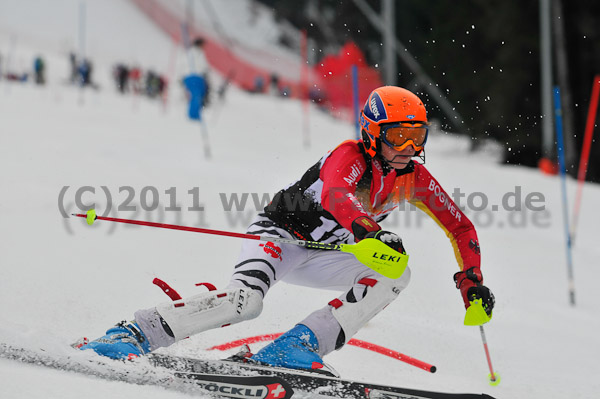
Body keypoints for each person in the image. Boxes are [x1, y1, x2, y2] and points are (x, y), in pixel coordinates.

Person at [81, 86, 495, 372]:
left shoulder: (414, 178)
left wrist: (470, 280)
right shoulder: (349, 155)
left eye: (416, 136)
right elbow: (336, 194)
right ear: (373, 133)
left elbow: (460, 226)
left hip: (328, 256)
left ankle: (297, 346)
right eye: (398, 136)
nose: (409, 148)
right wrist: (371, 232)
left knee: (396, 272)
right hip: (279, 238)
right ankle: (136, 332)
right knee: (246, 304)